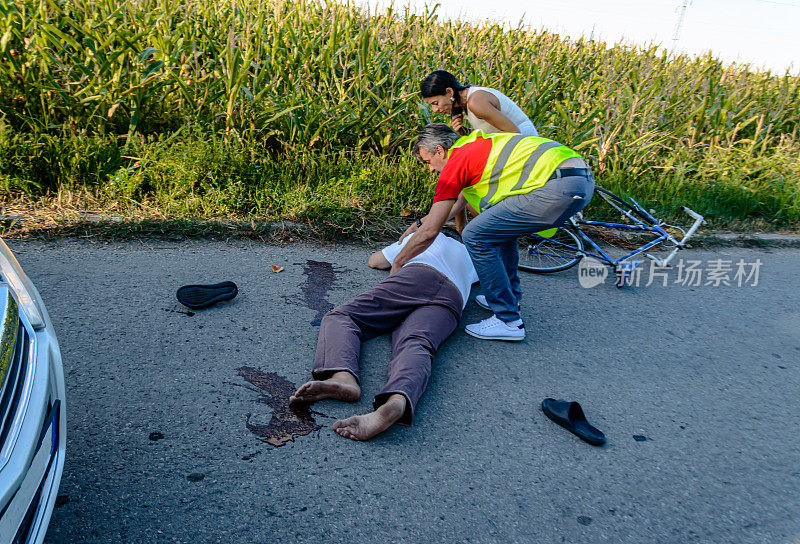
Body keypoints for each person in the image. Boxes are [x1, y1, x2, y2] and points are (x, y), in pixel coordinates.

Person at [395, 123, 595, 342]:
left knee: (475, 235)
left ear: (440, 150)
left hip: (555, 186)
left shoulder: (456, 163)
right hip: (579, 178)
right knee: (497, 231)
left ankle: (508, 320)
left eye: (428, 162)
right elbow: (451, 208)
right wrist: (418, 223)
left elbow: (431, 231)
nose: (430, 169)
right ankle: (510, 298)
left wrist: (399, 260)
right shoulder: (476, 146)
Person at [289, 228, 478, 441]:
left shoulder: (429, 236)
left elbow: (376, 261)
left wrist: (407, 239)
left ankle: (343, 377)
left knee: (342, 317)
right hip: (453, 298)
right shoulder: (473, 253)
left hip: (419, 275)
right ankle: (398, 400)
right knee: (416, 343)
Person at [420, 70, 539, 137]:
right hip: (518, 145)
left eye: (436, 103)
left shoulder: (476, 102)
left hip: (527, 143)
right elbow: (492, 133)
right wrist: (464, 132)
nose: (435, 109)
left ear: (449, 91)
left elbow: (514, 132)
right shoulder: (468, 101)